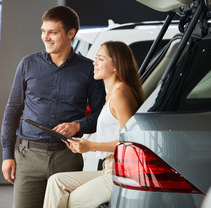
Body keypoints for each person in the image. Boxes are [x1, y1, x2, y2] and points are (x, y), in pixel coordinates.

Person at [0, 6, 106, 208]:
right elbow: (12, 110)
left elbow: (101, 115)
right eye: (43, 31)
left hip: (67, 158)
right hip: (28, 157)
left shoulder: (88, 70)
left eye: (52, 32)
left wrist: (77, 125)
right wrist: (7, 155)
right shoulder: (28, 64)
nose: (45, 37)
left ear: (70, 33)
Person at [43, 41, 145, 208]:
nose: (94, 63)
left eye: (100, 59)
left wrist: (91, 146)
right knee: (56, 181)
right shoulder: (111, 94)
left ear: (115, 66)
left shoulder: (120, 93)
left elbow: (130, 143)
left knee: (68, 201)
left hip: (120, 172)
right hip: (108, 169)